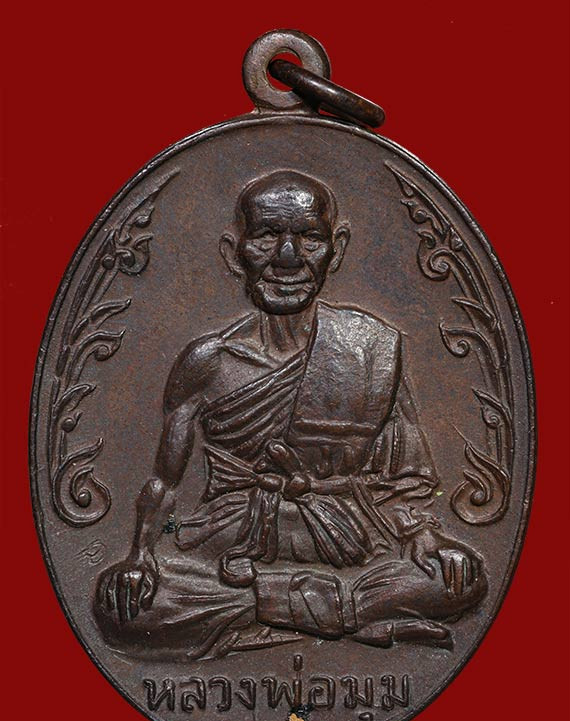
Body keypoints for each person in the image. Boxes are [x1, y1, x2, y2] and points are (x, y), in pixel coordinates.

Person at [95, 170, 487, 657]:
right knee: (123, 609)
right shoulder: (207, 361)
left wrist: (424, 536)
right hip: (232, 538)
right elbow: (165, 482)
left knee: (461, 579)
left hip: (349, 532)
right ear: (233, 253)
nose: (287, 258)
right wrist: (140, 555)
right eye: (266, 236)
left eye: (310, 239)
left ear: (336, 250)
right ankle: (348, 613)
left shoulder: (370, 348)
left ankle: (263, 611)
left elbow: (400, 479)